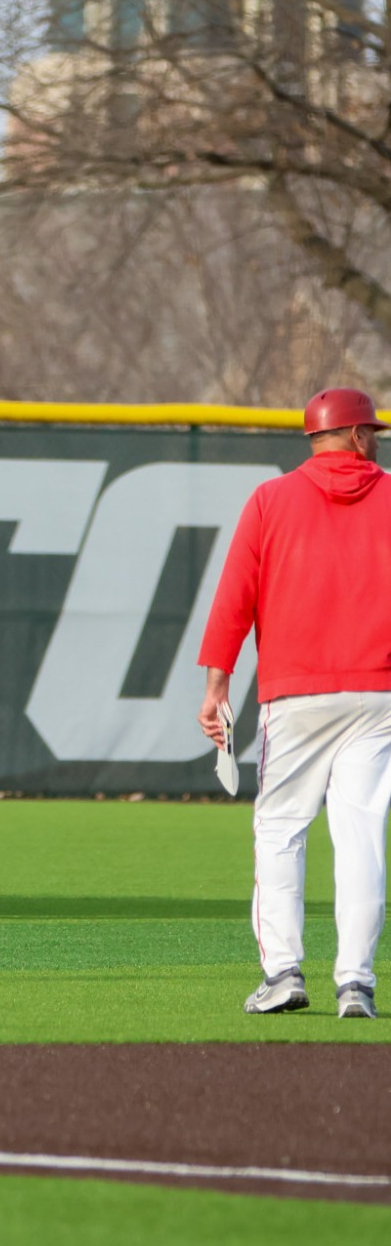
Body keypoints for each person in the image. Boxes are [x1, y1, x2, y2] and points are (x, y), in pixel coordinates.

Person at [199, 387, 391, 1020]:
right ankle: (356, 982)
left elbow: (235, 596)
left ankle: (283, 972)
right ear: (359, 437)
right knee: (361, 835)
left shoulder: (271, 499)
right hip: (379, 692)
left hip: (298, 695)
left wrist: (216, 684)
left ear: (314, 438)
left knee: (281, 830)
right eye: (375, 431)